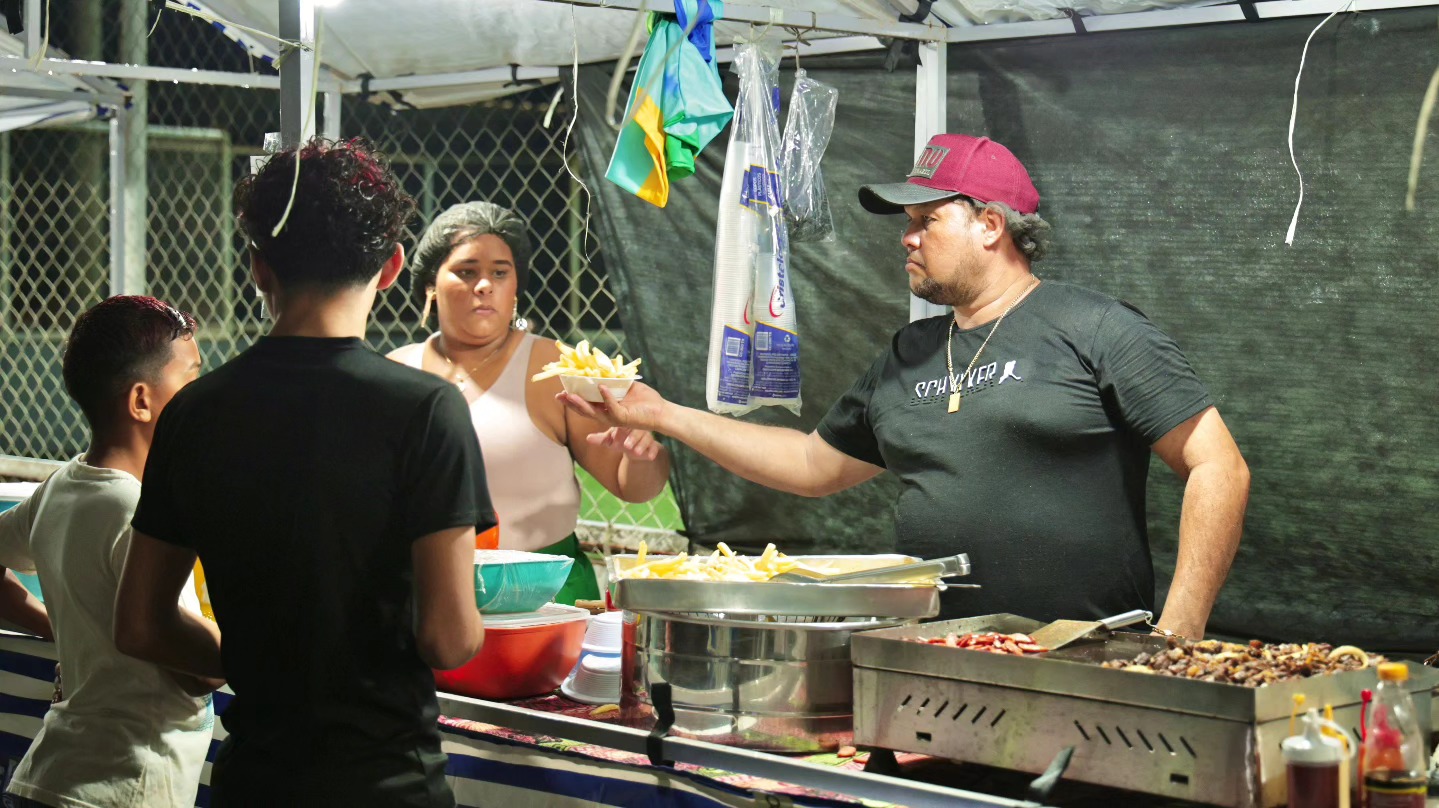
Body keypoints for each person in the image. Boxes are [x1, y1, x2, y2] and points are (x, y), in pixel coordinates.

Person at [562, 133, 1250, 641]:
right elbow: (810, 466)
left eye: (926, 220)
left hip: (1082, 658)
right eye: (906, 224)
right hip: (933, 652)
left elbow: (1216, 463)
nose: (907, 239)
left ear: (989, 225)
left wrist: (1180, 627)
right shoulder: (909, 352)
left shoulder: (1094, 326)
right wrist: (664, 414)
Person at [113, 139, 491, 808]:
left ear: (258, 268)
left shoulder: (194, 412)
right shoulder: (426, 409)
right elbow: (449, 637)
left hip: (254, 781)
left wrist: (263, 663)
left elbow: (141, 624)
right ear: (393, 267)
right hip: (387, 785)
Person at [389, 202, 670, 604]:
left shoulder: (557, 367)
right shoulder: (397, 373)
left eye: (500, 273)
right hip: (423, 590)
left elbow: (632, 486)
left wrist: (643, 454)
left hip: (544, 595)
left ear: (515, 286)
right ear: (430, 285)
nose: (484, 285)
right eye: (466, 271)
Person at [0, 295, 213, 808]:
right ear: (141, 401)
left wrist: (56, 625)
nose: (205, 397)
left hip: (52, 777)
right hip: (124, 785)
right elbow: (199, 667)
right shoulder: (141, 511)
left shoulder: (64, 485)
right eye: (192, 378)